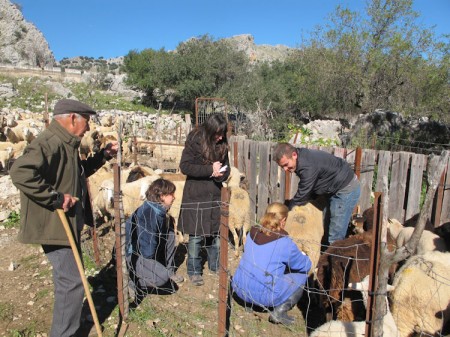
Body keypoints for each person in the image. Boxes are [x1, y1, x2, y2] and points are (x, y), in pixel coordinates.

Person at [9, 98, 118, 337]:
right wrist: (56, 198)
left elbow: (78, 173)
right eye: (86, 121)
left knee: (70, 280)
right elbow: (19, 172)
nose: (88, 128)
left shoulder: (67, 144)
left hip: (66, 224)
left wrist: (102, 156)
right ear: (72, 118)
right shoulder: (49, 142)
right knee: (72, 283)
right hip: (55, 226)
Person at [231, 202, 311, 325]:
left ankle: (249, 304)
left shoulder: (252, 232)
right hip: (266, 296)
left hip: (239, 288)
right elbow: (304, 266)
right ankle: (279, 312)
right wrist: (305, 256)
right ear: (283, 220)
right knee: (302, 276)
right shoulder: (285, 243)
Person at [178, 113, 230, 286]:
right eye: (217, 133)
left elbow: (227, 168)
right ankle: (193, 270)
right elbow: (185, 166)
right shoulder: (195, 140)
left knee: (216, 234)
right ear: (209, 130)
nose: (221, 137)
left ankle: (215, 266)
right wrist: (209, 170)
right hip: (196, 195)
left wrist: (221, 175)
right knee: (196, 236)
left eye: (222, 133)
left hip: (215, 193)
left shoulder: (222, 144)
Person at [273, 142, 361, 244]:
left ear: (294, 155)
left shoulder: (307, 165)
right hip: (332, 188)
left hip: (345, 189)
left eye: (286, 165)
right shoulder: (300, 158)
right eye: (282, 167)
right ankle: (325, 254)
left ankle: (335, 257)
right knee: (324, 228)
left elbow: (303, 194)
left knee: (335, 236)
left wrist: (286, 213)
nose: (285, 169)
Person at [125, 178, 184, 293]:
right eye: (171, 194)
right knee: (162, 278)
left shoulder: (156, 210)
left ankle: (167, 269)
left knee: (170, 234)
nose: (174, 197)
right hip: (132, 255)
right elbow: (147, 251)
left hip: (143, 251)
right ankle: (132, 280)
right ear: (162, 196)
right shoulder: (149, 214)